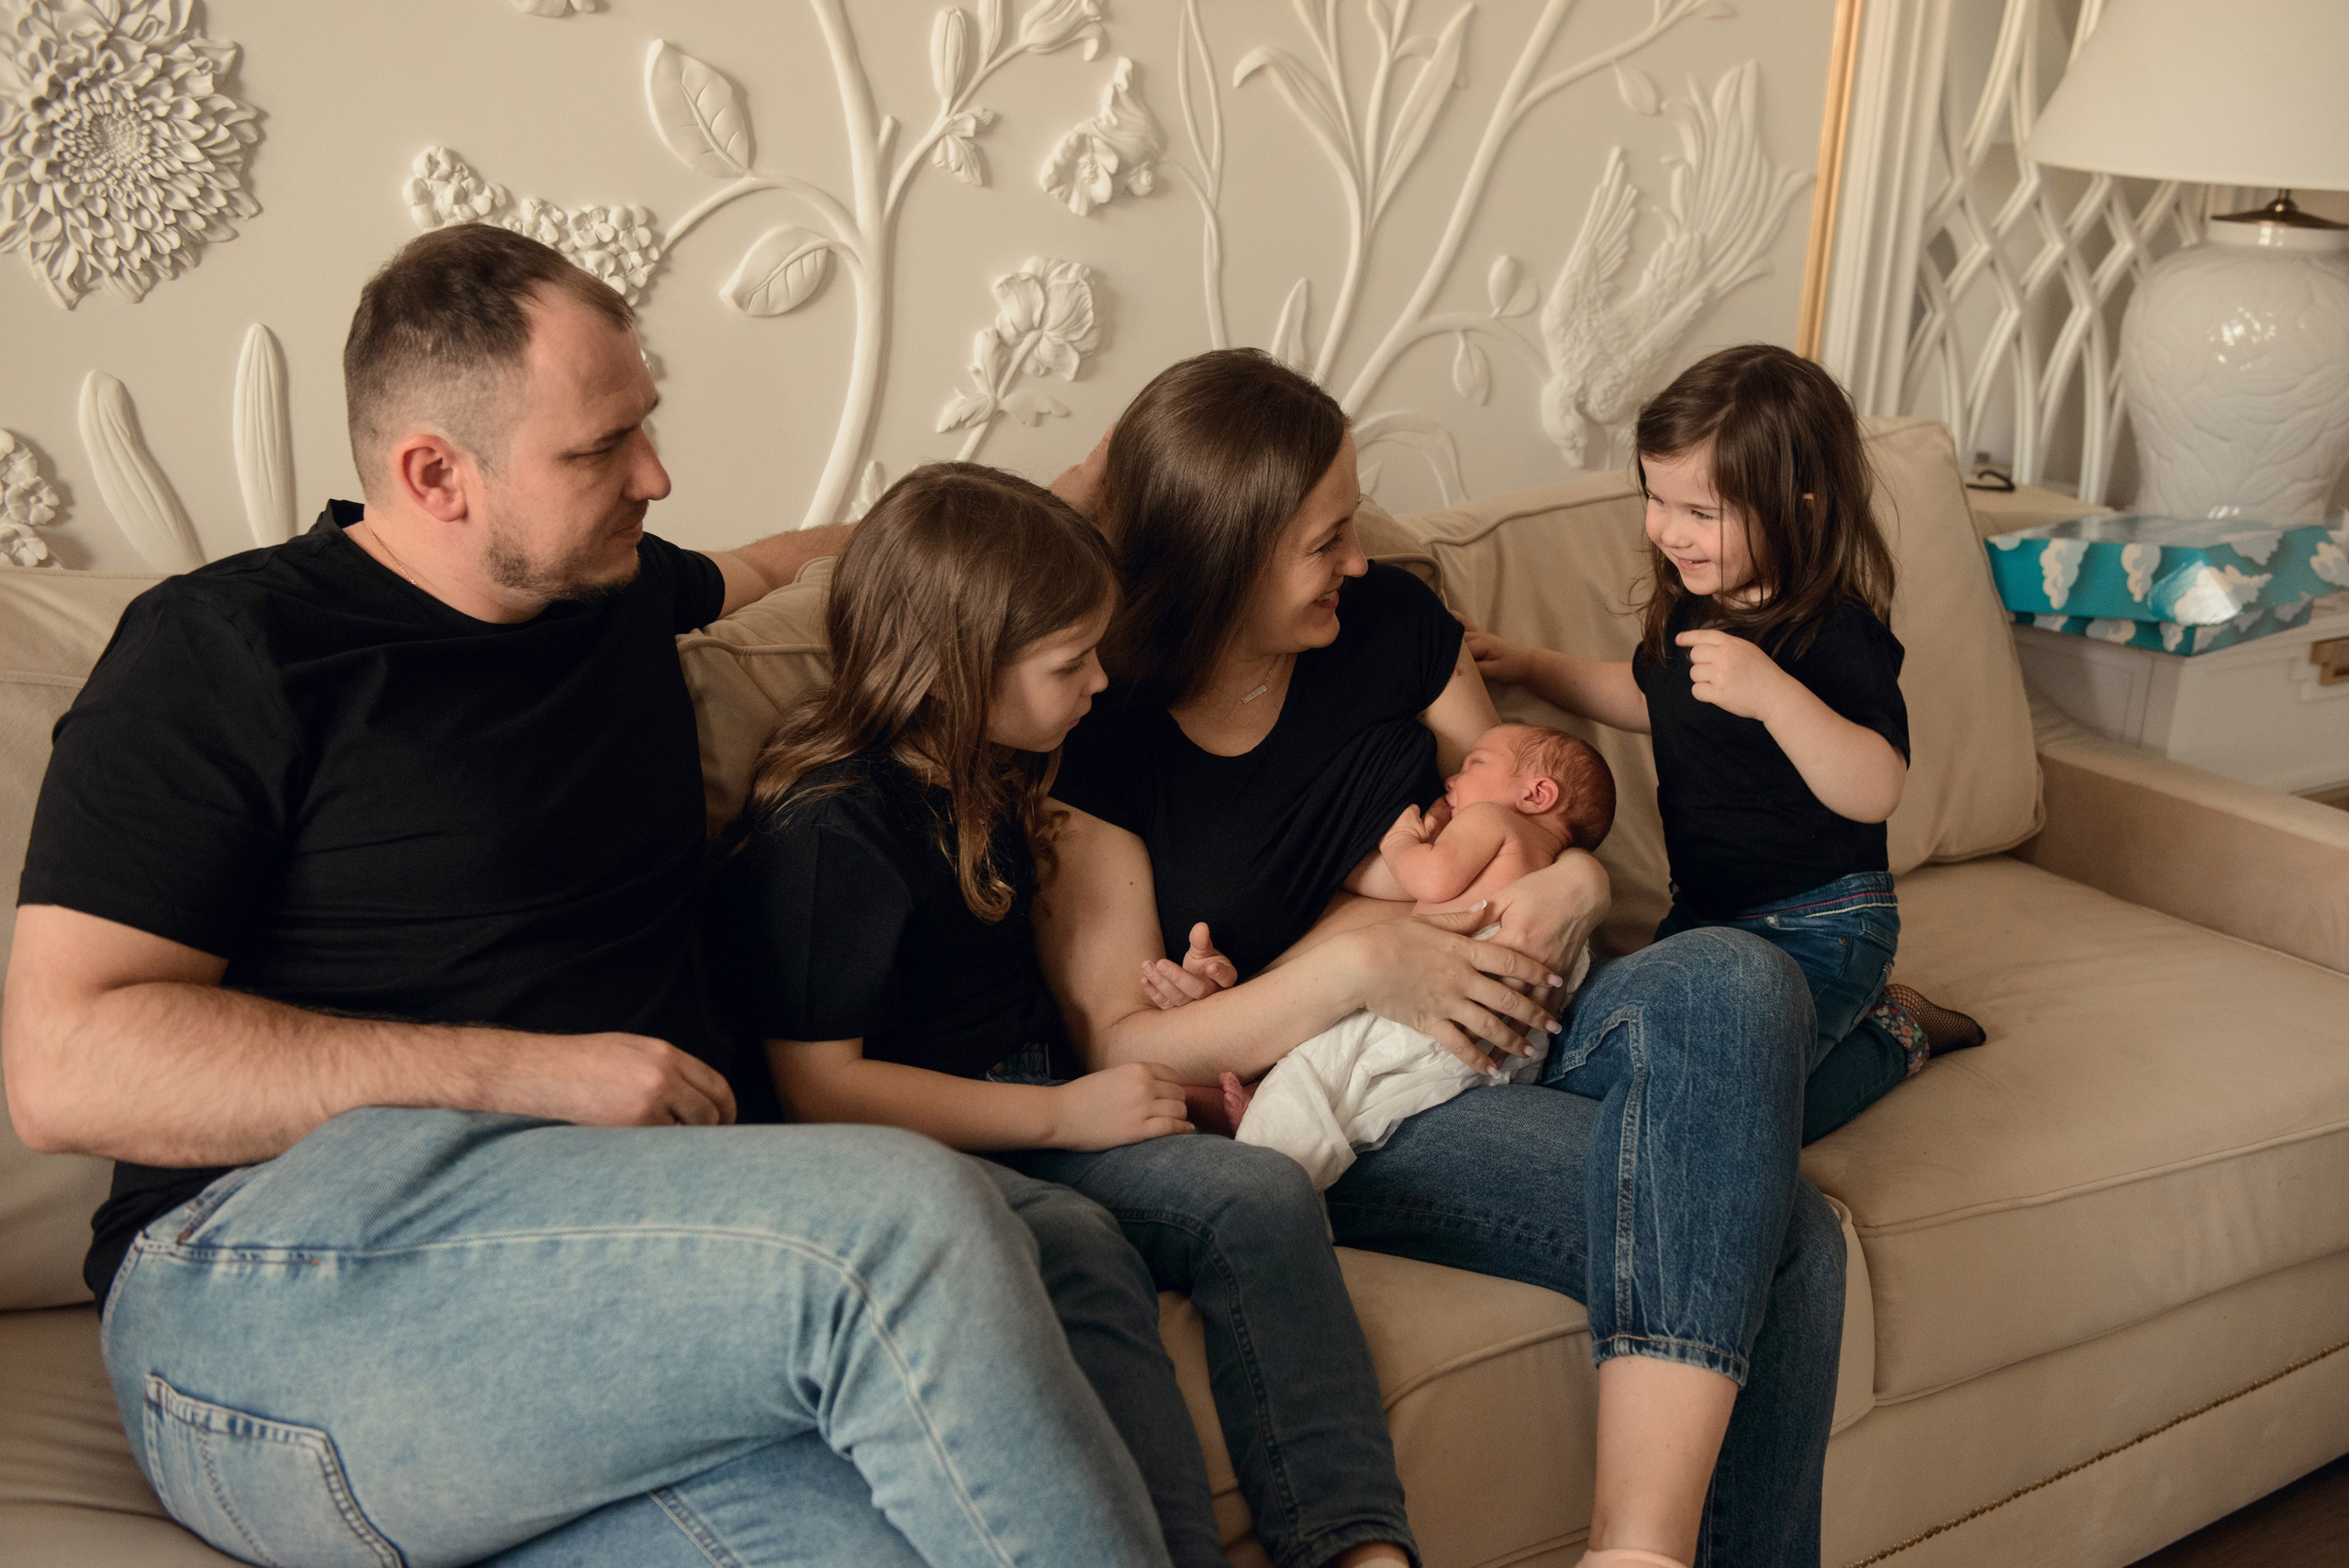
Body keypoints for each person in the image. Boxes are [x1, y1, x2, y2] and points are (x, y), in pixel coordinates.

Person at [0, 225, 1184, 1568]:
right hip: (264, 1286)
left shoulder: (607, 588)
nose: (655, 475)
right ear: (435, 473)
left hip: (592, 1255)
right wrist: (535, 1074)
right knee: (908, 1225)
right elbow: (65, 1067)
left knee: (1066, 1251)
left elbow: (797, 561)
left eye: (645, 423)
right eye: (601, 448)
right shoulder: (227, 652)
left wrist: (1044, 512)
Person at [1040, 349, 1847, 1568]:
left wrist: (1577, 885)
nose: (1358, 561)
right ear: (1224, 551)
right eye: (1326, 540)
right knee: (1789, 1236)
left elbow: (1533, 799)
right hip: (1349, 1087)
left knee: (1740, 976)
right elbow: (1120, 1040)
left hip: (1528, 1001)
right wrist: (1361, 966)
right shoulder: (1105, 735)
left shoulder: (1391, 627)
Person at [712, 462, 1418, 1568]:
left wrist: (1181, 1010)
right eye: (1068, 661)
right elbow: (818, 1088)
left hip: (1049, 1098)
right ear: (954, 667)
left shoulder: (1002, 769)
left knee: (1260, 1191)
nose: (1100, 679)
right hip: (918, 1148)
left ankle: (1354, 1545)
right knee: (1079, 1248)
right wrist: (1064, 1115)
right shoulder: (829, 829)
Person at [1466, 344, 1986, 1144]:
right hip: (1705, 921)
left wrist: (1771, 694)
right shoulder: (1693, 604)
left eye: (1700, 513)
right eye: (1657, 499)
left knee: (1746, 1118)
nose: (1669, 531)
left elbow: (1876, 785)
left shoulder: (1833, 633)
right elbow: (1651, 698)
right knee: (1625, 1068)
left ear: (1800, 509)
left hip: (1823, 926)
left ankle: (1895, 1030)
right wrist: (1532, 665)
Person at [1152, 723, 1616, 1190]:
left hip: (1445, 980)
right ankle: (1273, 1115)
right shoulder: (1546, 861)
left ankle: (1273, 1130)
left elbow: (1432, 879)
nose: (1452, 779)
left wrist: (1400, 841)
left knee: (1339, 1054)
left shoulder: (1491, 818)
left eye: (1474, 764)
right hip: (1514, 1020)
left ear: (1537, 794)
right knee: (1389, 1087)